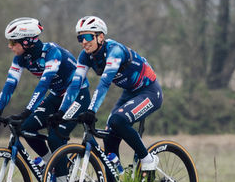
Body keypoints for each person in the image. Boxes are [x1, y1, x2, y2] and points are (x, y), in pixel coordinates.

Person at [59, 16, 162, 172]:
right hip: (130, 92)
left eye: (87, 37)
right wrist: (61, 111)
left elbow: (104, 83)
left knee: (117, 121)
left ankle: (148, 159)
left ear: (100, 37)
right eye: (80, 38)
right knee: (109, 135)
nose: (83, 42)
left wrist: (91, 111)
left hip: (150, 92)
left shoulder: (115, 51)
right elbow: (75, 85)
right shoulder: (85, 56)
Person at [0, 17, 90, 162]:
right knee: (26, 128)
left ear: (26, 41)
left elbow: (43, 85)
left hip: (77, 96)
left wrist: (26, 112)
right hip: (56, 96)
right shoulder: (21, 58)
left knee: (55, 137)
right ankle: (51, 165)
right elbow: (10, 85)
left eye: (12, 42)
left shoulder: (52, 53)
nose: (9, 46)